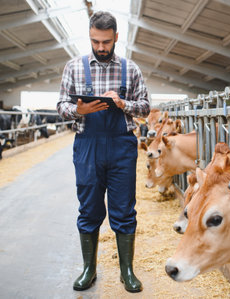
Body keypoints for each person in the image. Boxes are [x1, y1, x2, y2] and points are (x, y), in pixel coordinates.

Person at [57, 11, 150, 293]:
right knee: (89, 208)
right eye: (96, 41)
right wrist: (78, 110)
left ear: (116, 38)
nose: (101, 47)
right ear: (90, 36)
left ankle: (127, 272)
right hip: (88, 146)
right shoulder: (73, 67)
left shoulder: (130, 69)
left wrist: (123, 104)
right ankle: (89, 269)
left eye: (106, 41)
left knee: (123, 210)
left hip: (122, 147)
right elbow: (60, 105)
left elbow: (146, 107)